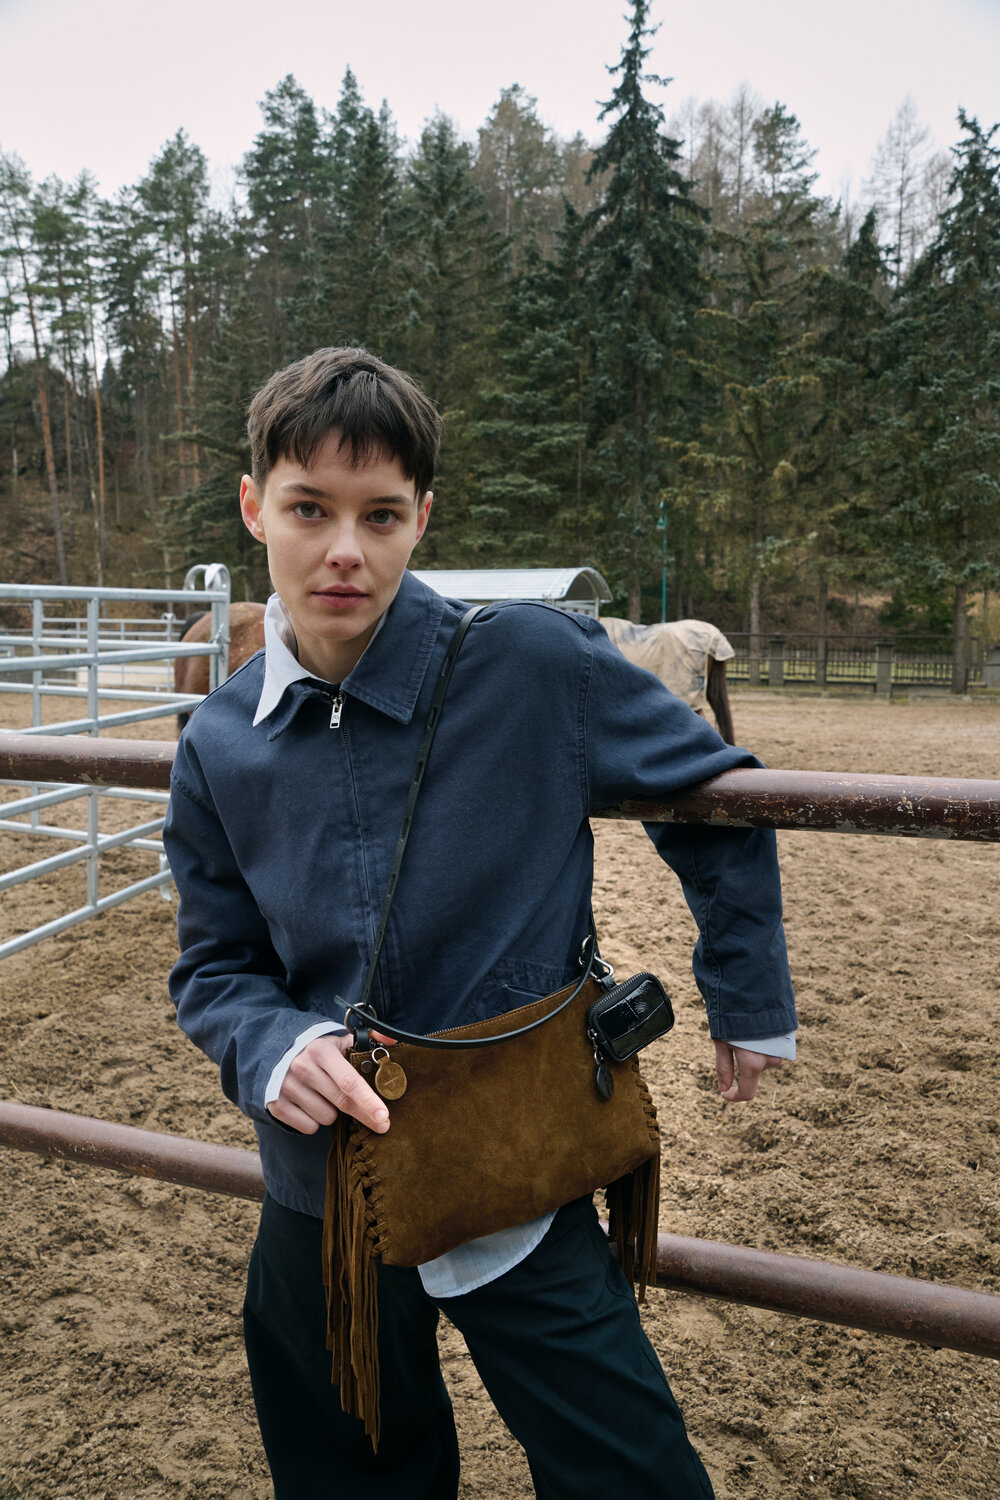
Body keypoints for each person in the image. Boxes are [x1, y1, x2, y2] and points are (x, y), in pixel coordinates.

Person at [163, 346, 797, 1500]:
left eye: (381, 514)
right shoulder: (217, 742)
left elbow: (713, 800)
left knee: (633, 1479)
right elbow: (215, 965)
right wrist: (271, 1046)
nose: (343, 549)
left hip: (517, 1168)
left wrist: (747, 1001)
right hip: (321, 1194)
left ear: (422, 519)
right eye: (309, 508)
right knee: (350, 1479)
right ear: (257, 507)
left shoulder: (530, 662)